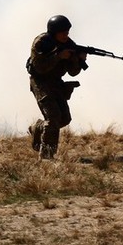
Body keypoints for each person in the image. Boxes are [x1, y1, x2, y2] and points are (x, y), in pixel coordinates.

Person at [26, 15, 86, 159]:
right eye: (63, 32)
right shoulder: (41, 43)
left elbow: (73, 72)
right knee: (53, 117)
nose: (66, 35)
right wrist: (58, 56)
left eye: (68, 32)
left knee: (64, 119)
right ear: (54, 32)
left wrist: (78, 60)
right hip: (40, 82)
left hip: (55, 82)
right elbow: (40, 68)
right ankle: (47, 156)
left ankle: (38, 128)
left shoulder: (69, 44)